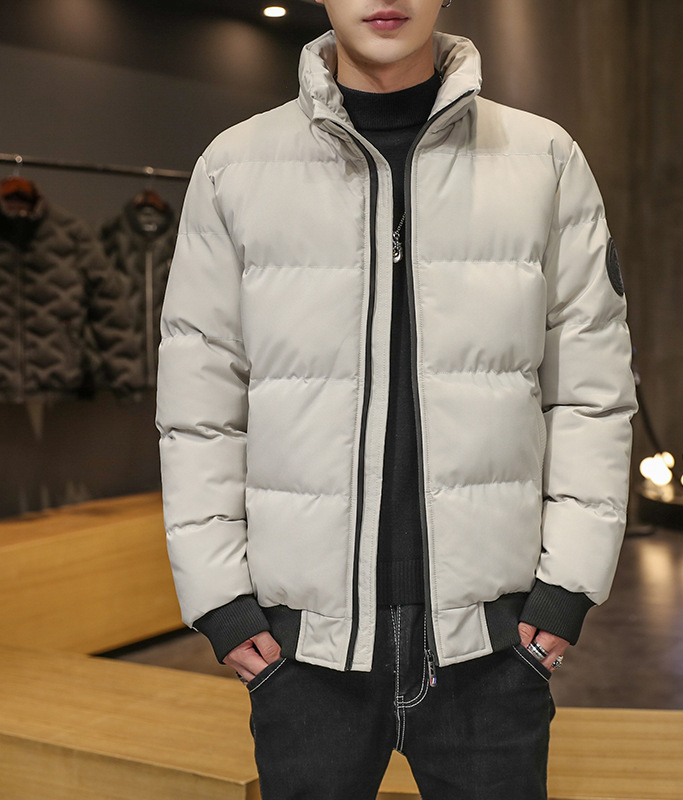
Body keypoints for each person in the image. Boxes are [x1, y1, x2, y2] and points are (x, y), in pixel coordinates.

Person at [155, 0, 637, 797]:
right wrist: (221, 603)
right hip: (303, 654)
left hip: (493, 648)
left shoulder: (544, 159)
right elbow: (200, 409)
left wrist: (567, 590)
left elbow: (591, 394)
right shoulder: (234, 167)